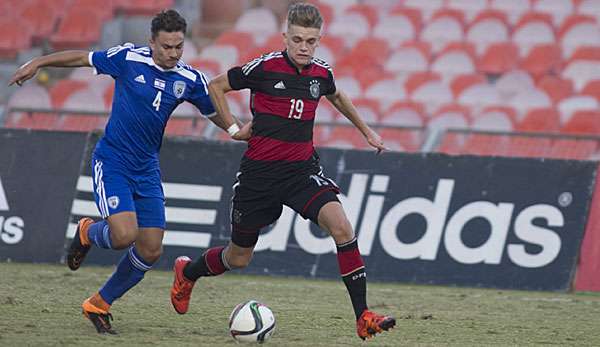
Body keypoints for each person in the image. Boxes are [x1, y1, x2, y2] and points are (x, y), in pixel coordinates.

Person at [9, 9, 244, 334]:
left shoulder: (189, 79)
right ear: (152, 43)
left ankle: (98, 304)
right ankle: (88, 231)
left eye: (178, 46)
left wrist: (234, 129)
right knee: (123, 236)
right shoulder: (128, 59)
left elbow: (212, 109)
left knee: (150, 249)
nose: (173, 53)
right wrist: (38, 62)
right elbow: (82, 57)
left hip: (146, 168)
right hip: (113, 161)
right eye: (167, 47)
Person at [170, 2, 395, 340]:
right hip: (259, 177)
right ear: (285, 37)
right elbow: (216, 85)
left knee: (342, 227)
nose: (304, 47)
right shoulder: (265, 68)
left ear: (318, 41)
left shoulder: (321, 73)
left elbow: (336, 96)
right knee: (238, 257)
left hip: (301, 172)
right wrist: (232, 129)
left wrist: (367, 131)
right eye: (298, 40)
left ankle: (363, 316)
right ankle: (188, 272)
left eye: (311, 41)